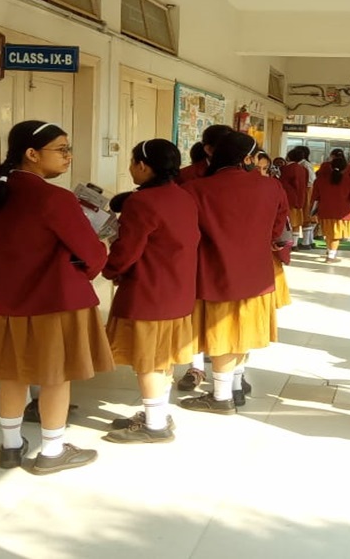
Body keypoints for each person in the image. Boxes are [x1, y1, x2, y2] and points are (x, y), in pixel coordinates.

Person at [0, 120, 113, 474]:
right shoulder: (55, 198)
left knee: (13, 374)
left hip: (11, 301)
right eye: (62, 149)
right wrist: (98, 250)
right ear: (32, 154)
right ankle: (52, 452)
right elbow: (91, 253)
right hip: (56, 301)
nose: (68, 156)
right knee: (55, 376)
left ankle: (10, 447)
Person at [180, 132, 288, 414]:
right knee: (241, 332)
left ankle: (221, 396)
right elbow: (278, 232)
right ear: (248, 158)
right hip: (257, 273)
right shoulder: (272, 187)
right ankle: (234, 386)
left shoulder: (195, 189)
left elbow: (187, 235)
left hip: (214, 271)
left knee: (222, 335)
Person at [102, 139, 200, 444]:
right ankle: (155, 413)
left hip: (149, 290)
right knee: (163, 358)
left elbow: (127, 250)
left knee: (148, 360)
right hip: (178, 289)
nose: (131, 167)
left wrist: (109, 268)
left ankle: (155, 425)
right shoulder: (184, 197)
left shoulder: (142, 202)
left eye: (132, 162)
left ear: (143, 166)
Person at [175, 125, 236, 392]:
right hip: (197, 256)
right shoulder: (188, 177)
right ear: (208, 149)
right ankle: (195, 367)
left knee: (234, 319)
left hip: (235, 258)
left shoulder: (248, 178)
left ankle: (236, 376)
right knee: (196, 314)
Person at [310, 153, 350, 264]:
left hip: (324, 211)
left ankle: (329, 251)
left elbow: (315, 197)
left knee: (328, 233)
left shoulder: (320, 180)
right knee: (335, 235)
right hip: (342, 212)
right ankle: (331, 256)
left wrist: (312, 211)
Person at [280, 147, 313, 250]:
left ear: (288, 157)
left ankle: (288, 244)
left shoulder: (285, 169)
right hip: (300, 199)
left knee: (287, 222)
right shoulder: (303, 169)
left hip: (288, 199)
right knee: (297, 223)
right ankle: (294, 244)